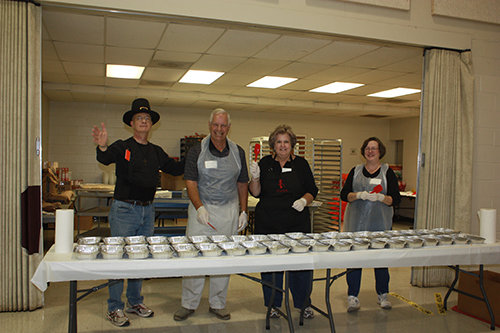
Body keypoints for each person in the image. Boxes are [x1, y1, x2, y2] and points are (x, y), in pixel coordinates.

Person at [92, 98, 184, 327]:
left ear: (151, 124)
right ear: (132, 123)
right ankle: (114, 307)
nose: (143, 121)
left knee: (139, 257)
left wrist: (197, 156)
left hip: (147, 210)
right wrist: (103, 145)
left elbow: (175, 168)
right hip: (124, 209)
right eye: (139, 118)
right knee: (118, 259)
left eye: (147, 119)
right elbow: (104, 158)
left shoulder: (156, 151)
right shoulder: (122, 146)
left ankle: (135, 301)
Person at [174, 108, 249, 321]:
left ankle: (217, 303)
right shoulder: (197, 150)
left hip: (228, 211)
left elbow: (242, 182)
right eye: (216, 125)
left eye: (223, 125)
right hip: (202, 210)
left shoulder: (238, 151)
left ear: (229, 127)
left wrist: (243, 210)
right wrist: (199, 207)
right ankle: (188, 303)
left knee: (223, 259)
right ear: (210, 125)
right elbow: (191, 182)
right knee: (194, 257)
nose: (219, 129)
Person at [248, 124, 318, 320]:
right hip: (268, 222)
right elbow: (256, 192)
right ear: (273, 145)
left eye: (286, 141)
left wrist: (304, 200)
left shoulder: (301, 164)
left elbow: (313, 190)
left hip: (296, 223)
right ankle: (273, 305)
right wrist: (254, 177)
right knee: (271, 267)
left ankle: (303, 304)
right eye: (278, 142)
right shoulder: (265, 163)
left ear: (292, 144)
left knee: (300, 266)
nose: (282, 145)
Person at [340, 137, 401, 312]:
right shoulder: (356, 171)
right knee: (354, 260)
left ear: (380, 151)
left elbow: (395, 199)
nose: (370, 151)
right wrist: (358, 195)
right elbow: (344, 195)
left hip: (380, 224)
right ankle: (352, 296)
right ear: (363, 151)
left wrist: (382, 198)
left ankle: (383, 294)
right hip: (356, 224)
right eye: (367, 148)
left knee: (381, 259)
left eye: (374, 148)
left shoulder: (387, 172)